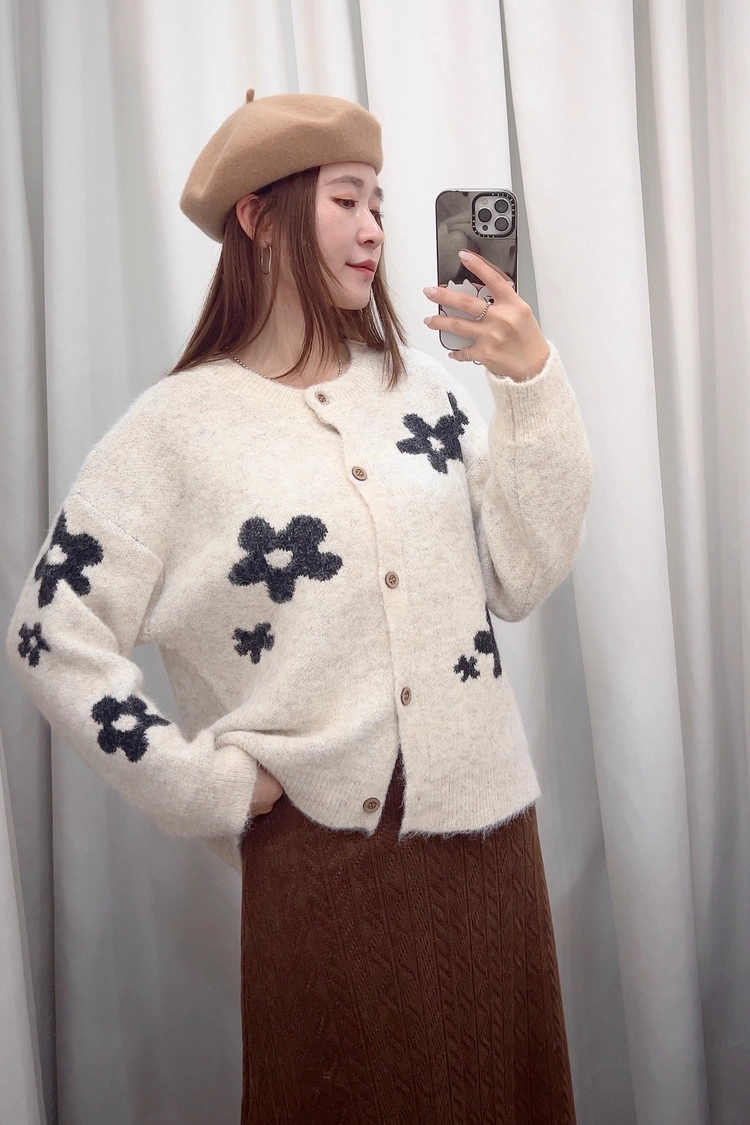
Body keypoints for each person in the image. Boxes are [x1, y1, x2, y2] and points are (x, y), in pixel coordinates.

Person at [6, 88, 592, 1124]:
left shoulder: (420, 389)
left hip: (490, 843)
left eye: (380, 204)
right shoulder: (176, 430)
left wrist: (531, 383)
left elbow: (520, 572)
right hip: (324, 867)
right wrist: (198, 784)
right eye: (345, 199)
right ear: (260, 216)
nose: (374, 229)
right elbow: (50, 629)